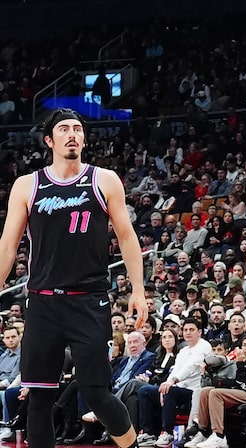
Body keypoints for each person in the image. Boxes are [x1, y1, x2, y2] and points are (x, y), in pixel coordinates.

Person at [0, 110, 147, 448]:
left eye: (78, 129)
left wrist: (137, 289)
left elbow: (126, 236)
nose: (72, 134)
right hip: (42, 302)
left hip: (89, 300)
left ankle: (132, 445)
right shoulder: (28, 185)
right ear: (49, 140)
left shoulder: (104, 179)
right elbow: (8, 246)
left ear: (84, 138)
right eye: (63, 129)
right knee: (37, 398)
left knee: (96, 393)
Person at [184, 336, 246, 448]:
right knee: (205, 391)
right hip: (242, 393)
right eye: (244, 345)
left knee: (215, 394)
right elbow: (238, 381)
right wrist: (221, 382)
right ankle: (203, 432)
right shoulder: (245, 361)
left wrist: (239, 366)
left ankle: (218, 435)